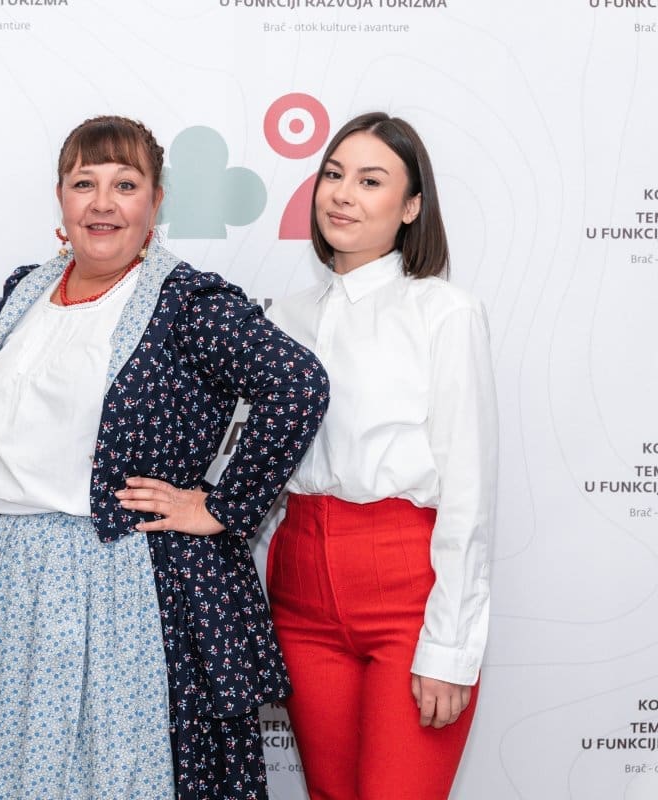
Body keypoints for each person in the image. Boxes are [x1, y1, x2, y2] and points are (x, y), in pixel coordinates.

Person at [0, 115, 329, 800]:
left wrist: (222, 506)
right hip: (8, 584)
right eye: (83, 183)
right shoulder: (23, 294)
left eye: (125, 185)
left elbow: (298, 384)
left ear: (156, 202)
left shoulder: (186, 303)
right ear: (60, 197)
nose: (102, 203)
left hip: (121, 587)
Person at [264, 111, 497, 800]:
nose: (343, 194)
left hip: (406, 589)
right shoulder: (284, 318)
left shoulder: (444, 313)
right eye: (334, 175)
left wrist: (450, 646)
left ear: (412, 206)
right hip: (299, 587)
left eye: (371, 181)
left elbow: (470, 491)